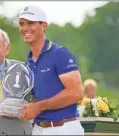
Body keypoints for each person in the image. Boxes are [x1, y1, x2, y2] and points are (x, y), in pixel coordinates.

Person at [15, 6, 85, 135]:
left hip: (64, 129)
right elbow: (39, 96)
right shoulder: (28, 61)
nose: (25, 28)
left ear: (44, 25)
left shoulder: (60, 54)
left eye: (31, 23)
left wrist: (39, 107)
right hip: (38, 129)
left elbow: (76, 93)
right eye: (21, 24)